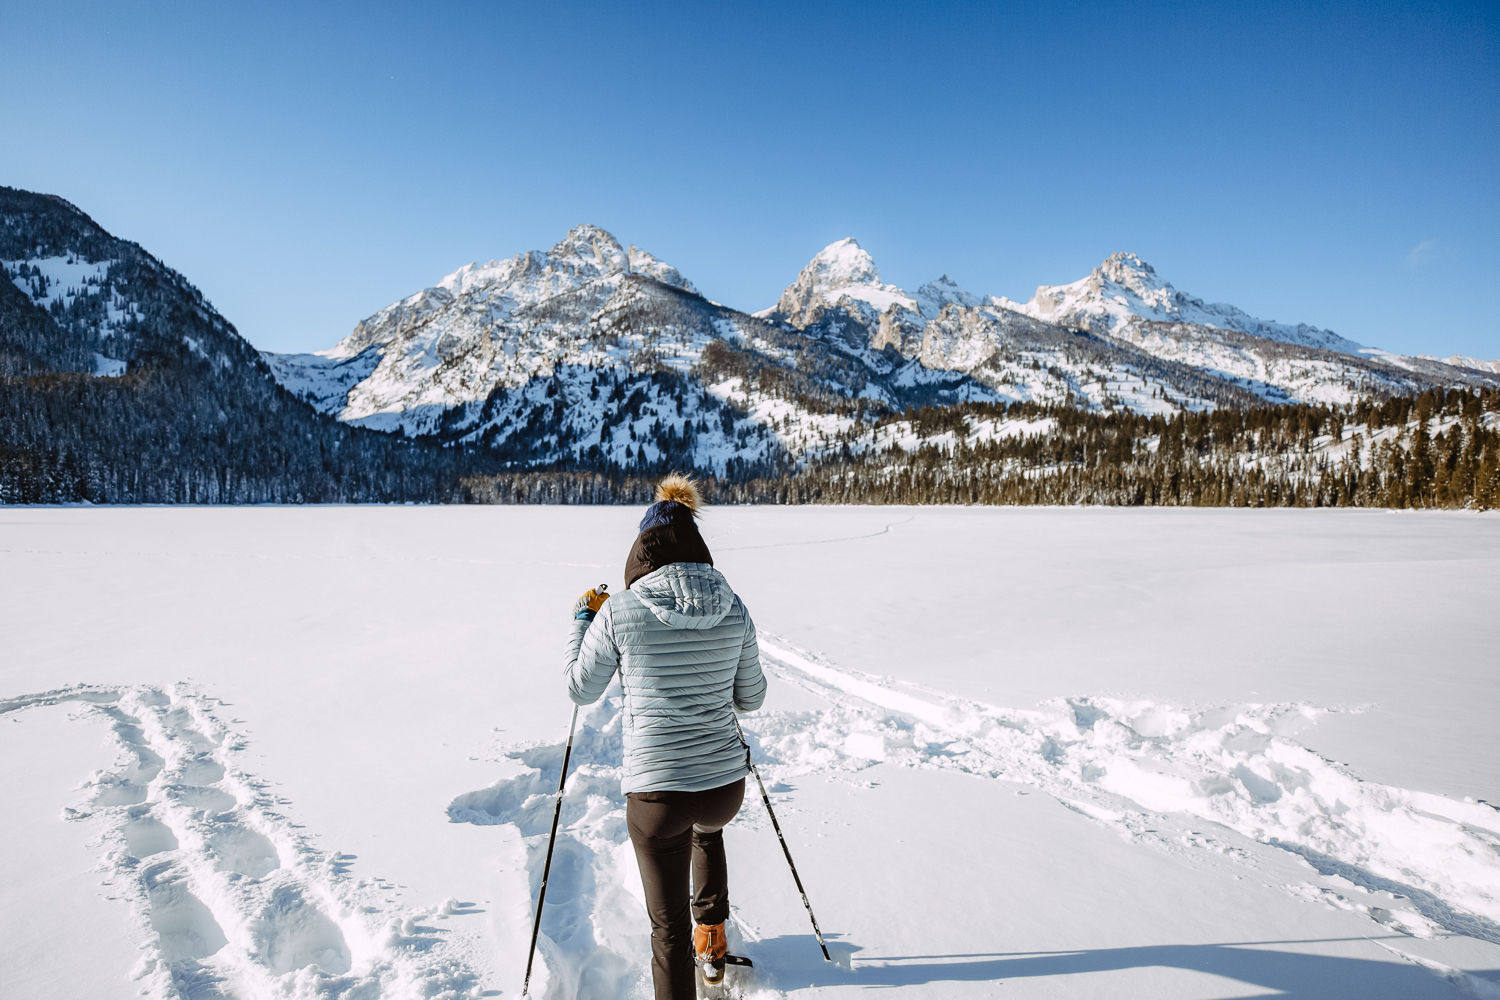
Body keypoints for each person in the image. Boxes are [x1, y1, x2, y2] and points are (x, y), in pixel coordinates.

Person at [564, 473, 766, 1000]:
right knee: (707, 828)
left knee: (666, 930)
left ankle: (694, 946)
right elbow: (752, 699)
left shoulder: (620, 610)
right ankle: (714, 943)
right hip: (724, 789)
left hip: (657, 798)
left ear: (641, 554)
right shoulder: (734, 605)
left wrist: (583, 622)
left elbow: (580, 691)